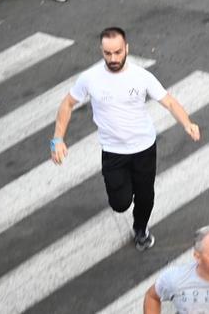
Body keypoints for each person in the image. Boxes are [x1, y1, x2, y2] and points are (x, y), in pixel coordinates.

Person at [51, 27, 200, 251]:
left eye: (118, 52)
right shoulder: (90, 78)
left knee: (145, 195)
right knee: (120, 204)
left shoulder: (141, 77)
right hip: (113, 152)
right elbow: (67, 104)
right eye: (108, 53)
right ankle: (125, 196)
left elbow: (168, 101)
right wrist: (57, 139)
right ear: (101, 51)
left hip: (144, 149)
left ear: (127, 49)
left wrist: (187, 122)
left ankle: (141, 229)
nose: (113, 58)